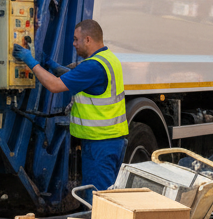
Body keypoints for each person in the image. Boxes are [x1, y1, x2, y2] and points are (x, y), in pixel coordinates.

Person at [13, 19, 128, 201]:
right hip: (109, 141)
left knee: (97, 202)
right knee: (104, 198)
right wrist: (49, 63)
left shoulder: (93, 66)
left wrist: (30, 61)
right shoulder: (107, 59)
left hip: (100, 144)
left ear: (88, 40)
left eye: (76, 39)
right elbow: (79, 78)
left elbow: (54, 86)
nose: (73, 44)